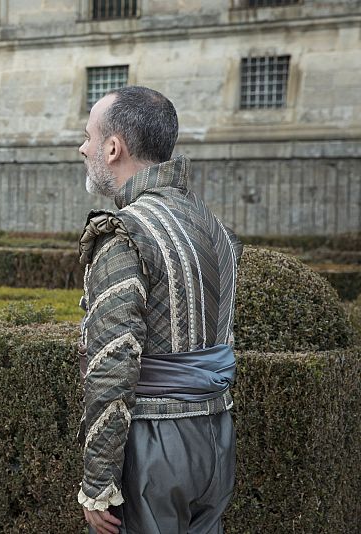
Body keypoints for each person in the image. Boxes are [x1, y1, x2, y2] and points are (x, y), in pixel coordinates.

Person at [76, 86, 242, 534]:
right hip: (217, 436)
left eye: (89, 137)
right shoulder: (216, 230)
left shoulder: (124, 232)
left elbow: (112, 364)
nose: (83, 147)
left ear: (113, 148)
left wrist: (98, 482)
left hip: (155, 445)